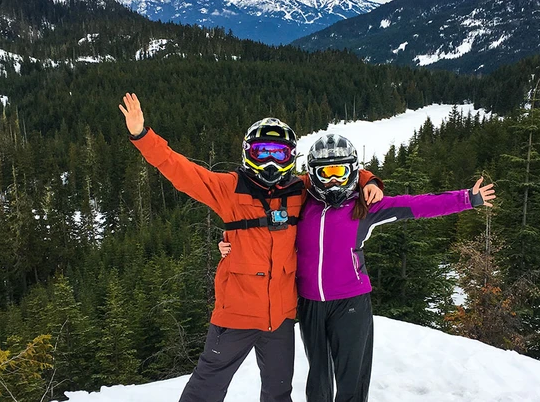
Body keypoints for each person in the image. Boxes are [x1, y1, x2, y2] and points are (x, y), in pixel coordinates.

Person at [118, 94, 384, 402]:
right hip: (236, 314)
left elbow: (334, 172)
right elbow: (181, 171)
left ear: (290, 157)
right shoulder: (229, 189)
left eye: (279, 154)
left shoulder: (299, 191)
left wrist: (369, 178)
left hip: (280, 318)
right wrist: (141, 135)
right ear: (248, 154)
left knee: (278, 392)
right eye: (262, 153)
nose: (270, 162)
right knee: (207, 388)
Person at [220, 133, 495, 402]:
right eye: (324, 173)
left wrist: (466, 198)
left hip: (351, 301)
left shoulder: (365, 206)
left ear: (352, 170)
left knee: (352, 376)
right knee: (318, 378)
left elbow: (416, 205)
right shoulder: (300, 200)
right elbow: (260, 220)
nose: (332, 179)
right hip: (309, 302)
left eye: (340, 171)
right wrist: (229, 244)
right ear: (312, 174)